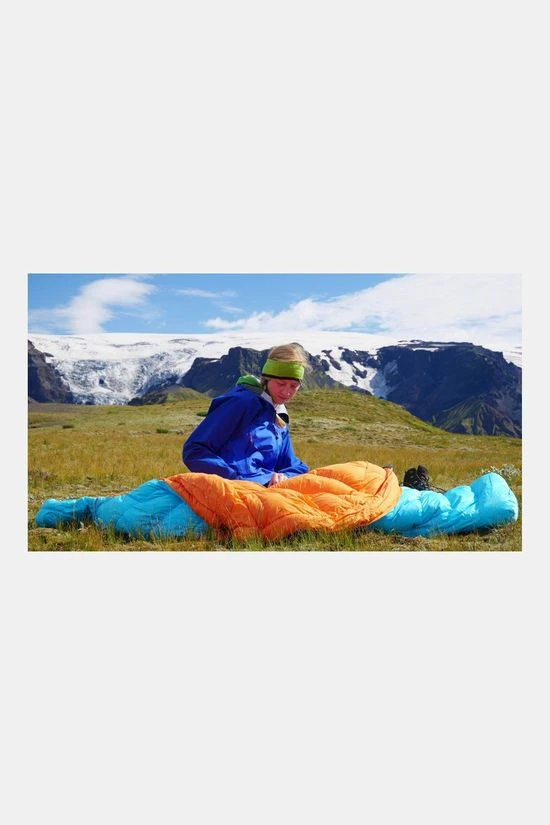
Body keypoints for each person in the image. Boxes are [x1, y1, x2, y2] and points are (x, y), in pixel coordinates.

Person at [182, 343, 309, 486]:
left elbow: (292, 465)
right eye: (281, 383)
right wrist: (233, 478)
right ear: (267, 378)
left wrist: (284, 476)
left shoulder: (280, 416)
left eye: (294, 386)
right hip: (233, 487)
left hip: (264, 489)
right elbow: (195, 450)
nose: (287, 392)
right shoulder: (241, 402)